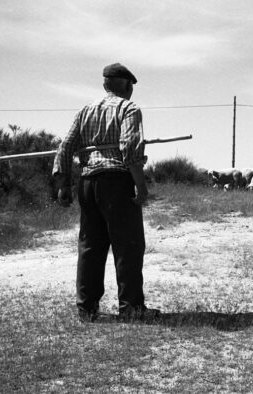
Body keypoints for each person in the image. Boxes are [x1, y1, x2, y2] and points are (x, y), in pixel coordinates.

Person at [52, 63, 160, 323]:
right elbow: (130, 148)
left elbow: (65, 147)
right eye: (131, 85)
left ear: (104, 84)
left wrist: (62, 184)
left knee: (91, 247)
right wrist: (141, 186)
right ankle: (132, 307)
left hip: (88, 183)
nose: (132, 90)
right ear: (125, 84)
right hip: (116, 182)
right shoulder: (129, 109)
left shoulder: (85, 110)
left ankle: (87, 309)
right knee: (128, 246)